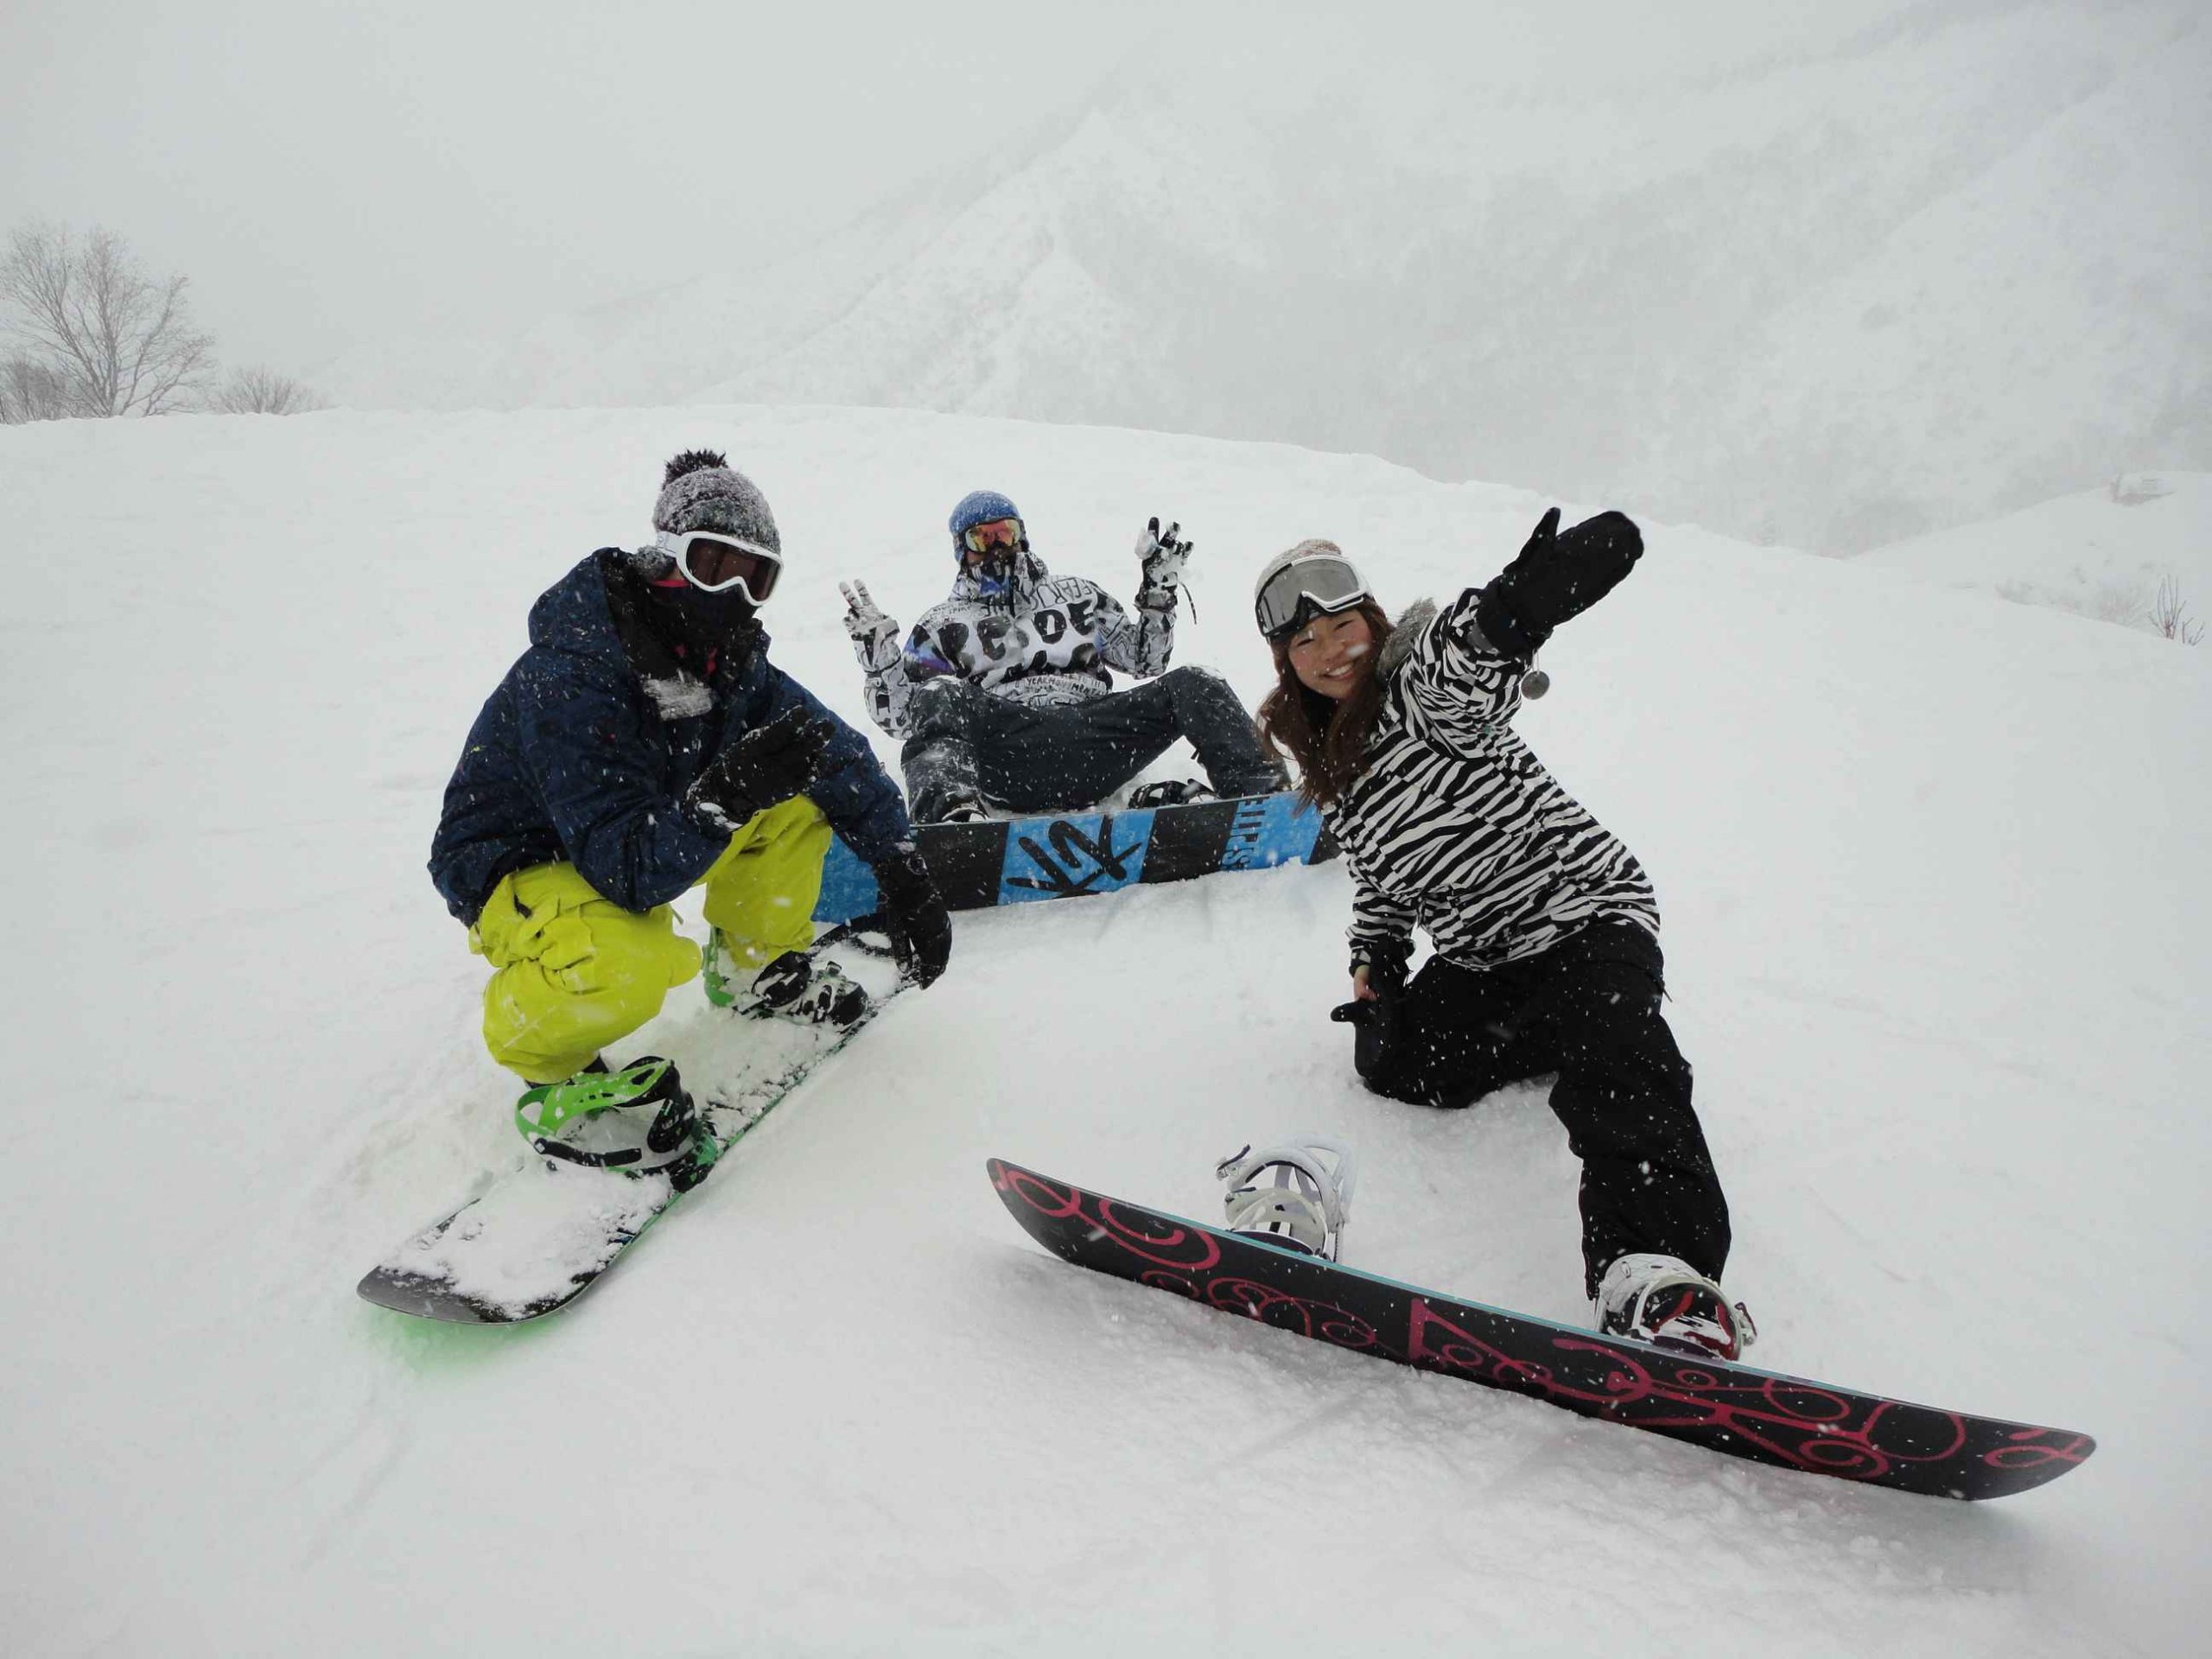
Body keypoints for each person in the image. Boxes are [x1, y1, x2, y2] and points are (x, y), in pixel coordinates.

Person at [1239, 514, 1751, 1359]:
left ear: (1374, 622)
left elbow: (1471, 651)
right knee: (1396, 1062)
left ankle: (1661, 1277)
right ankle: (1566, 1030)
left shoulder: (1424, 687)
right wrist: (1375, 958)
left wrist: (1519, 606)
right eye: (1305, 643)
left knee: (1619, 1065)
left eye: (1342, 626)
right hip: (1488, 954)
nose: (1331, 651)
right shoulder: (1335, 766)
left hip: (1585, 915)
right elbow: (1378, 879)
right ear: (1285, 664)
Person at [429, 449, 951, 1180]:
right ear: (667, 556)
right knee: (629, 960)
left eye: (756, 576)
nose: (734, 592)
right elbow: (626, 873)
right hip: (521, 863)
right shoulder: (577, 672)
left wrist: (900, 866)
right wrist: (722, 801)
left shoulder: (726, 661)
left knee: (802, 794)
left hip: (642, 831)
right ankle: (546, 1062)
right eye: (715, 565)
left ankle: (752, 967)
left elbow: (832, 752)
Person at [838, 490, 1287, 823]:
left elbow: (1145, 661)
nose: (998, 546)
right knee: (939, 691)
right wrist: (879, 662)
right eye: (982, 538)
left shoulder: (1078, 594)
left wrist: (1159, 593)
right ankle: (949, 819)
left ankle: (1260, 794)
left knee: (1196, 681)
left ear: (1023, 535)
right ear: (962, 549)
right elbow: (907, 718)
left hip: (1096, 736)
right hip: (1008, 746)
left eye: (1006, 533)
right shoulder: (943, 623)